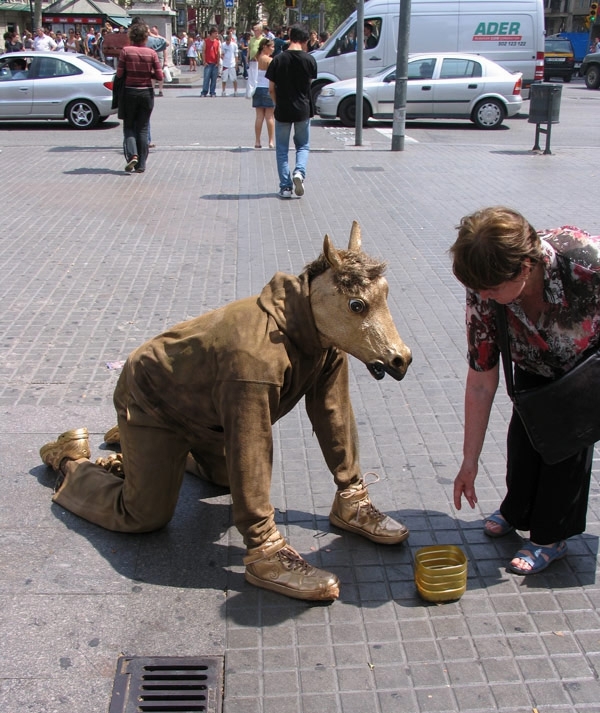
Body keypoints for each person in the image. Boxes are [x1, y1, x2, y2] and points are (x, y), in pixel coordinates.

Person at [39, 227, 411, 602]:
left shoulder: (325, 333)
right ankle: (72, 463)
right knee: (143, 515)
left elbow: (333, 413)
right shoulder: (256, 358)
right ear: (327, 295)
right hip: (154, 400)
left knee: (227, 478)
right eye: (358, 309)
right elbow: (250, 442)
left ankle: (145, 450)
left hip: (209, 410)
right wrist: (263, 542)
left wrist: (351, 491)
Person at [450, 206, 600, 576]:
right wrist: (469, 461)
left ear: (525, 267)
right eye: (478, 288)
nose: (482, 295)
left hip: (583, 370)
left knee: (564, 453)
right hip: (533, 363)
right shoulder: (484, 283)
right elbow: (481, 381)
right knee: (524, 439)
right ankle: (516, 509)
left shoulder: (586, 262)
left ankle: (551, 537)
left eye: (492, 289)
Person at [266, 25, 317, 199]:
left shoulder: (278, 60)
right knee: (303, 145)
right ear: (305, 41)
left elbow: (271, 88)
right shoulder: (309, 60)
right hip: (303, 108)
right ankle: (299, 173)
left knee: (281, 149)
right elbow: (308, 84)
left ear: (290, 37)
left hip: (283, 109)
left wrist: (277, 103)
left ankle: (286, 187)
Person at [116, 21, 163, 174]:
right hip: (146, 93)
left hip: (129, 92)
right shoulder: (152, 53)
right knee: (142, 128)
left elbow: (119, 74)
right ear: (145, 37)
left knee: (129, 126)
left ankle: (133, 155)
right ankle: (141, 164)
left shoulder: (125, 51)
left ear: (132, 36)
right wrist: (148, 73)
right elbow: (159, 75)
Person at [252, 38, 275, 148]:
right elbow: (273, 77)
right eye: (271, 47)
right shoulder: (269, 60)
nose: (273, 49)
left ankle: (257, 141)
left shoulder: (256, 58)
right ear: (265, 47)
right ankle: (270, 141)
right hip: (267, 88)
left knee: (259, 116)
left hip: (257, 88)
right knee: (269, 117)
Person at [200, 26, 220, 97]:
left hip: (215, 63)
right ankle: (204, 92)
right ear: (211, 34)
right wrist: (204, 61)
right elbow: (203, 51)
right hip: (208, 63)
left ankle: (212, 92)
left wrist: (218, 62)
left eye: (217, 33)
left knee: (214, 79)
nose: (217, 35)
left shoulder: (217, 42)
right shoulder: (206, 41)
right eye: (215, 33)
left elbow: (218, 53)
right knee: (206, 79)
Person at [221, 31, 238, 95]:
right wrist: (222, 56)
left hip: (232, 64)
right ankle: (223, 91)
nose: (228, 42)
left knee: (234, 79)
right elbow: (221, 53)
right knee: (224, 79)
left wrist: (236, 64)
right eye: (227, 41)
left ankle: (235, 91)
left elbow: (236, 55)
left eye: (229, 41)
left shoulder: (234, 45)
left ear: (231, 40)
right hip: (225, 64)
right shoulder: (223, 45)